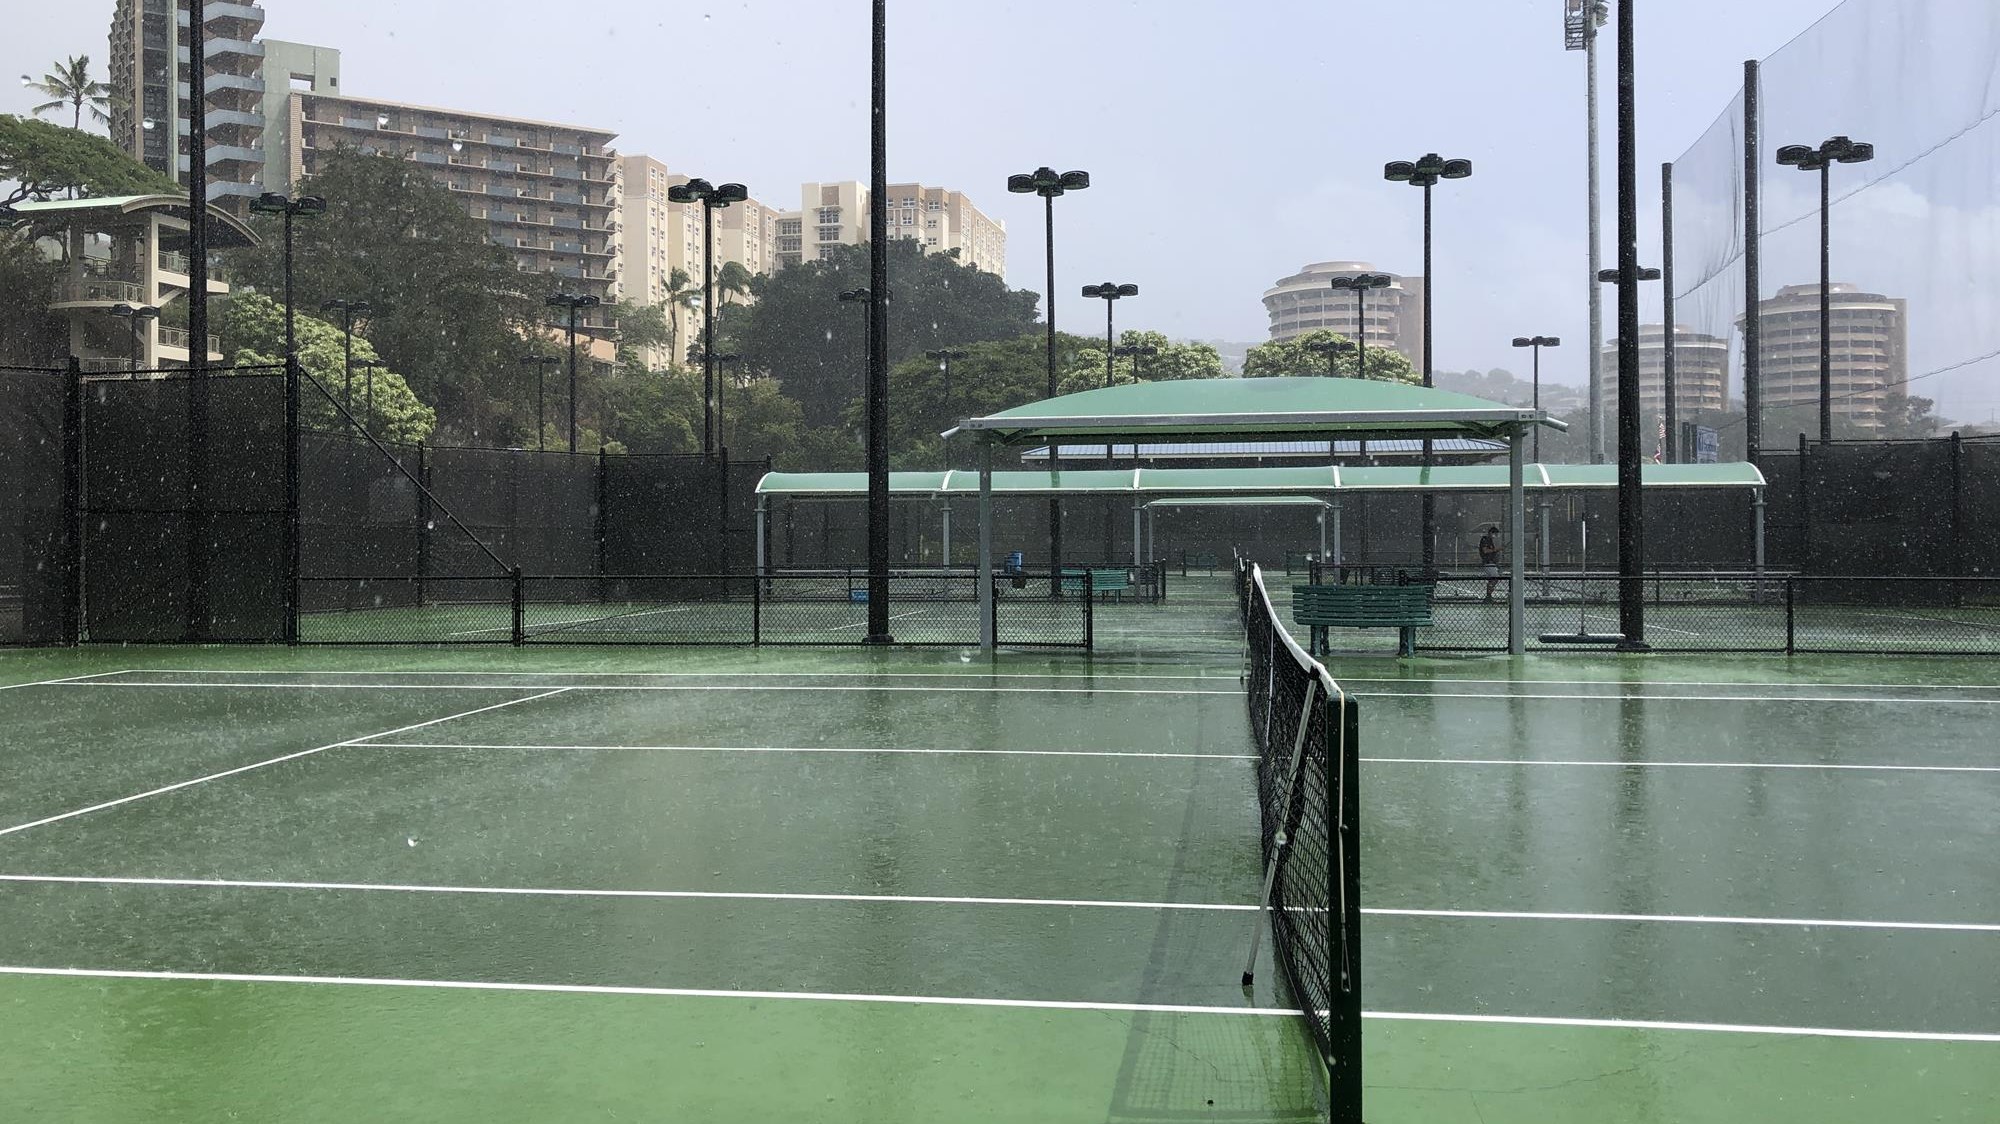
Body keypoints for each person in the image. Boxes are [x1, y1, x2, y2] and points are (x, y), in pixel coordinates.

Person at [1479, 525, 1502, 602]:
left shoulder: (1490, 540)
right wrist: (1496, 549)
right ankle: (1488, 595)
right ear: (1491, 533)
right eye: (1495, 534)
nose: (1495, 536)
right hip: (1488, 563)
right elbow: (1485, 550)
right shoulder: (1485, 539)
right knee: (1494, 578)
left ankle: (1489, 595)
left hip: (1492, 563)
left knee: (1493, 579)